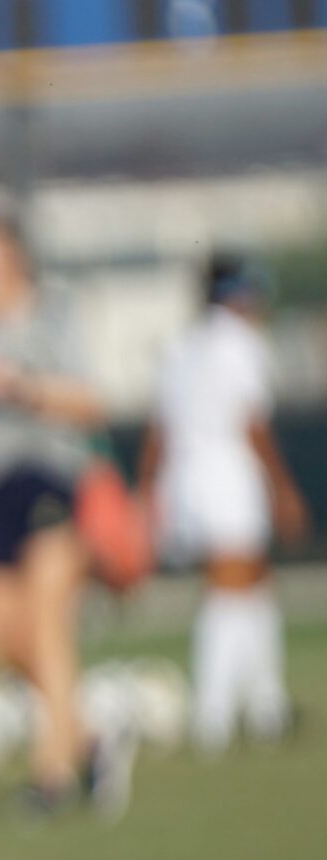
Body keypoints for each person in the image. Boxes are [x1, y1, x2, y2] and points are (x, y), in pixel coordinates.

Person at [0, 208, 125, 819]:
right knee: (7, 642)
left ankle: (49, 777)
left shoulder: (53, 314)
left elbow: (90, 400)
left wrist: (22, 387)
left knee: (50, 626)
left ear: (11, 255)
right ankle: (90, 740)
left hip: (50, 476)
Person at [140, 255, 310, 752]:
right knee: (230, 588)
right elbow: (251, 422)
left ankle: (265, 705)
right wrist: (282, 486)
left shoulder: (182, 346)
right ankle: (212, 715)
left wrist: (149, 489)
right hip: (226, 473)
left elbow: (159, 430)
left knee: (252, 582)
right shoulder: (239, 344)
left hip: (187, 478)